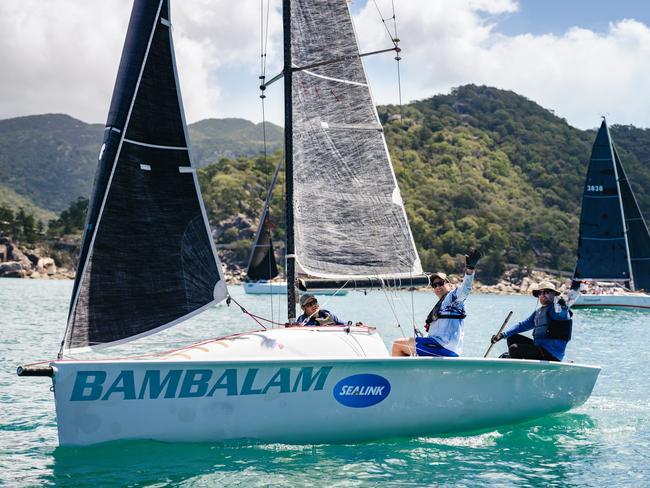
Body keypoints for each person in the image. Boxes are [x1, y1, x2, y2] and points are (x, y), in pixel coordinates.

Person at [391, 248, 481, 357]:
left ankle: (398, 374)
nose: (437, 287)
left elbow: (465, 289)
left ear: (449, 285)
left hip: (441, 347)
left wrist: (470, 270)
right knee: (409, 347)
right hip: (444, 347)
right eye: (434, 285)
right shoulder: (441, 305)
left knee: (397, 345)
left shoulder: (453, 297)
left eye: (440, 283)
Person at [491, 281, 572, 361]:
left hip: (551, 354)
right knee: (512, 337)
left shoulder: (557, 310)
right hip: (540, 349)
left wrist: (563, 305)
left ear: (554, 294)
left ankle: (517, 368)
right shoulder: (538, 312)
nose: (543, 295)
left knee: (514, 348)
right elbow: (522, 325)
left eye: (546, 292)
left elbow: (562, 313)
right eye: (540, 293)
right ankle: (515, 361)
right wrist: (502, 335)